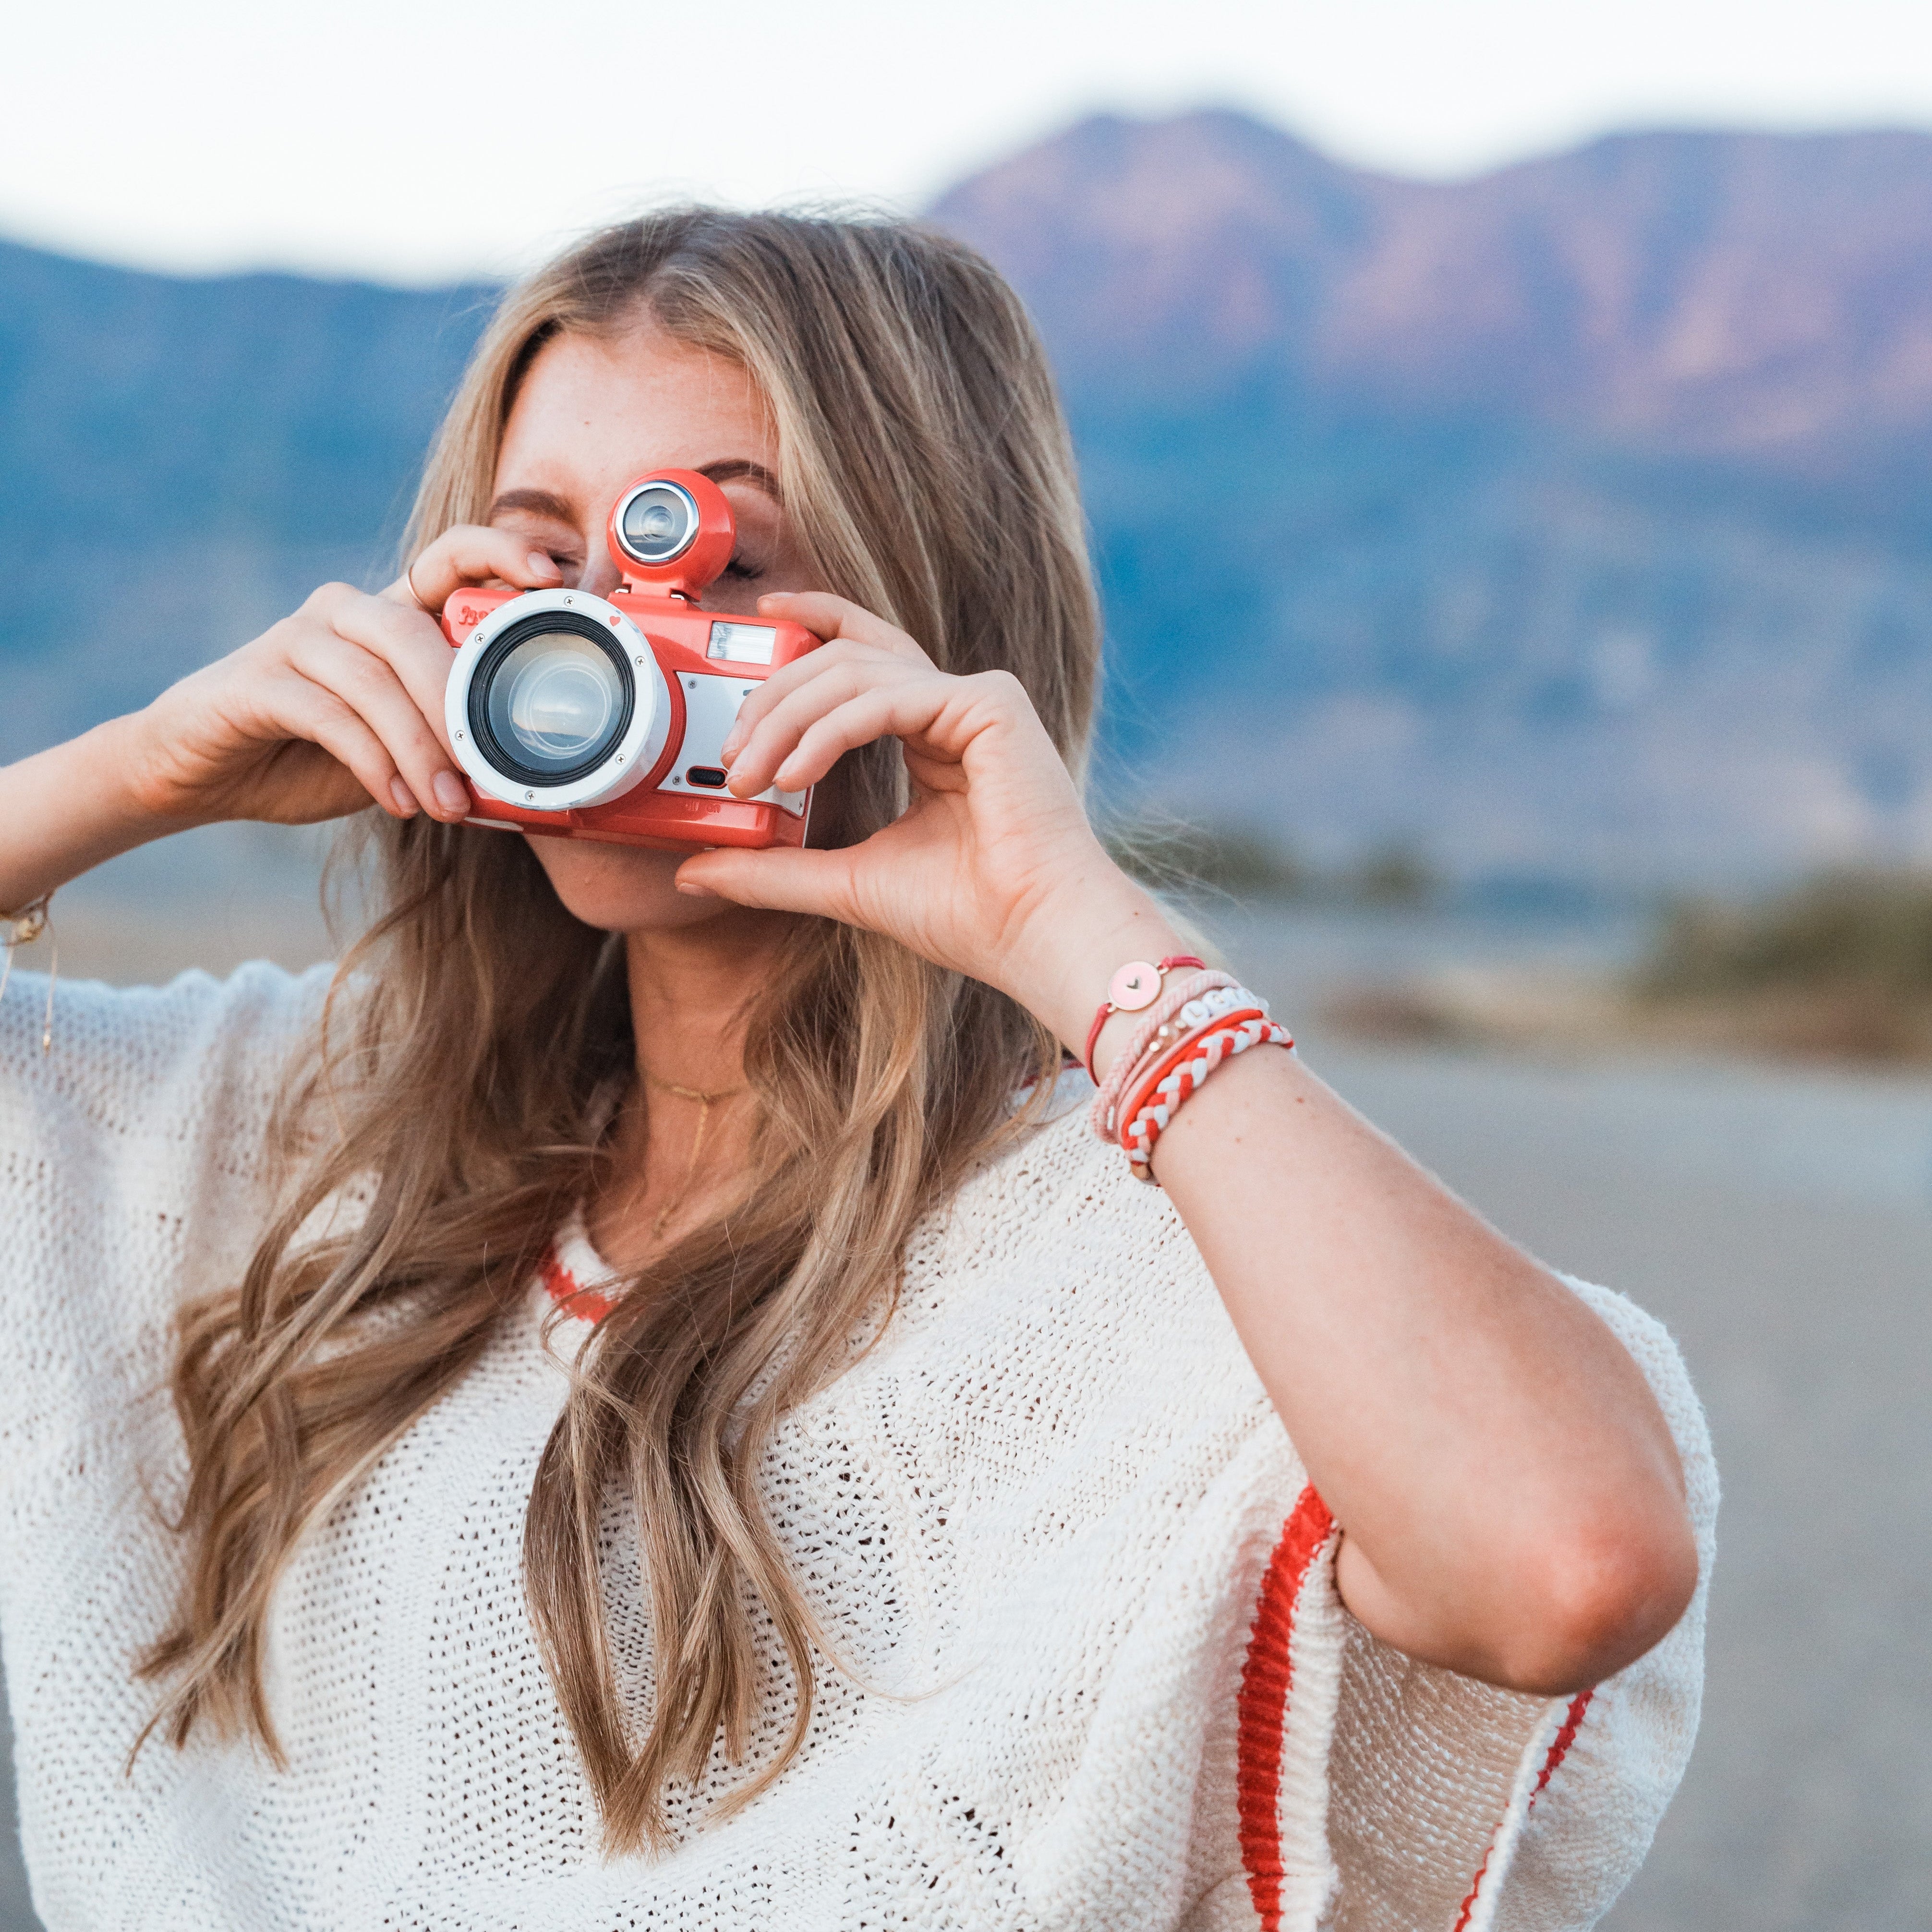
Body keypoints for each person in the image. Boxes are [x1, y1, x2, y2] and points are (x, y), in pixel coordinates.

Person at [0, 209, 1713, 1931]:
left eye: (720, 571)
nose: (602, 645)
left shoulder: (1139, 1265)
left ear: (936, 622)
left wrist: (1068, 930)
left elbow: (1566, 1566)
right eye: (539, 568)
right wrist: (142, 770)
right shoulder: (286, 1120)